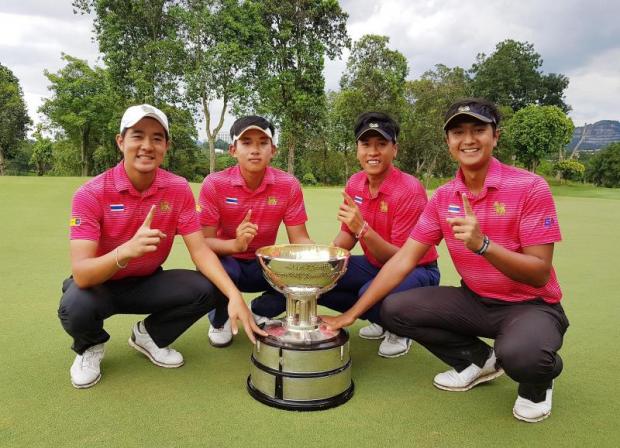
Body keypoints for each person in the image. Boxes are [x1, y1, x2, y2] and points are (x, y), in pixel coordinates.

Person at [322, 98, 568, 423]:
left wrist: (484, 245)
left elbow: (539, 274)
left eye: (478, 130)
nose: (468, 140)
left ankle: (539, 380)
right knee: (395, 308)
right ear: (448, 142)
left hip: (531, 305)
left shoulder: (530, 187)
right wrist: (352, 315)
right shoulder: (443, 197)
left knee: (524, 356)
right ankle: (477, 361)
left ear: (495, 136)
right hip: (475, 300)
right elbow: (403, 260)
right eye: (458, 132)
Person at [58, 104, 265, 389]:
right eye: (137, 136)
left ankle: (149, 336)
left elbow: (201, 250)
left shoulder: (177, 188)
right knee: (74, 305)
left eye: (157, 138)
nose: (147, 146)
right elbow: (81, 273)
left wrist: (234, 296)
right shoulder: (91, 193)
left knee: (213, 286)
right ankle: (90, 347)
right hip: (100, 285)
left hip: (149, 282)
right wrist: (126, 251)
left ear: (166, 146)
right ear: (121, 142)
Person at [318, 112, 440, 358]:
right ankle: (382, 319)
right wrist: (322, 260)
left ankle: (400, 329)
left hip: (417, 269)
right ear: (357, 149)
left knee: (367, 293)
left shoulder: (409, 189)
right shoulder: (355, 183)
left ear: (394, 149)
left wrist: (363, 229)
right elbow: (347, 237)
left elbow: (402, 258)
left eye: (381, 144)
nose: (373, 152)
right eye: (366, 145)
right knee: (324, 278)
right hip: (375, 263)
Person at [199, 115, 313, 347]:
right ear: (233, 150)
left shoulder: (288, 185)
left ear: (273, 150)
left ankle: (256, 311)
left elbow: (299, 238)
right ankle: (219, 320)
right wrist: (235, 245)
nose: (255, 150)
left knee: (300, 276)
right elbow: (203, 243)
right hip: (228, 259)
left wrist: (318, 261)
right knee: (219, 271)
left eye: (263, 143)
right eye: (247, 142)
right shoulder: (214, 183)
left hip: (264, 261)